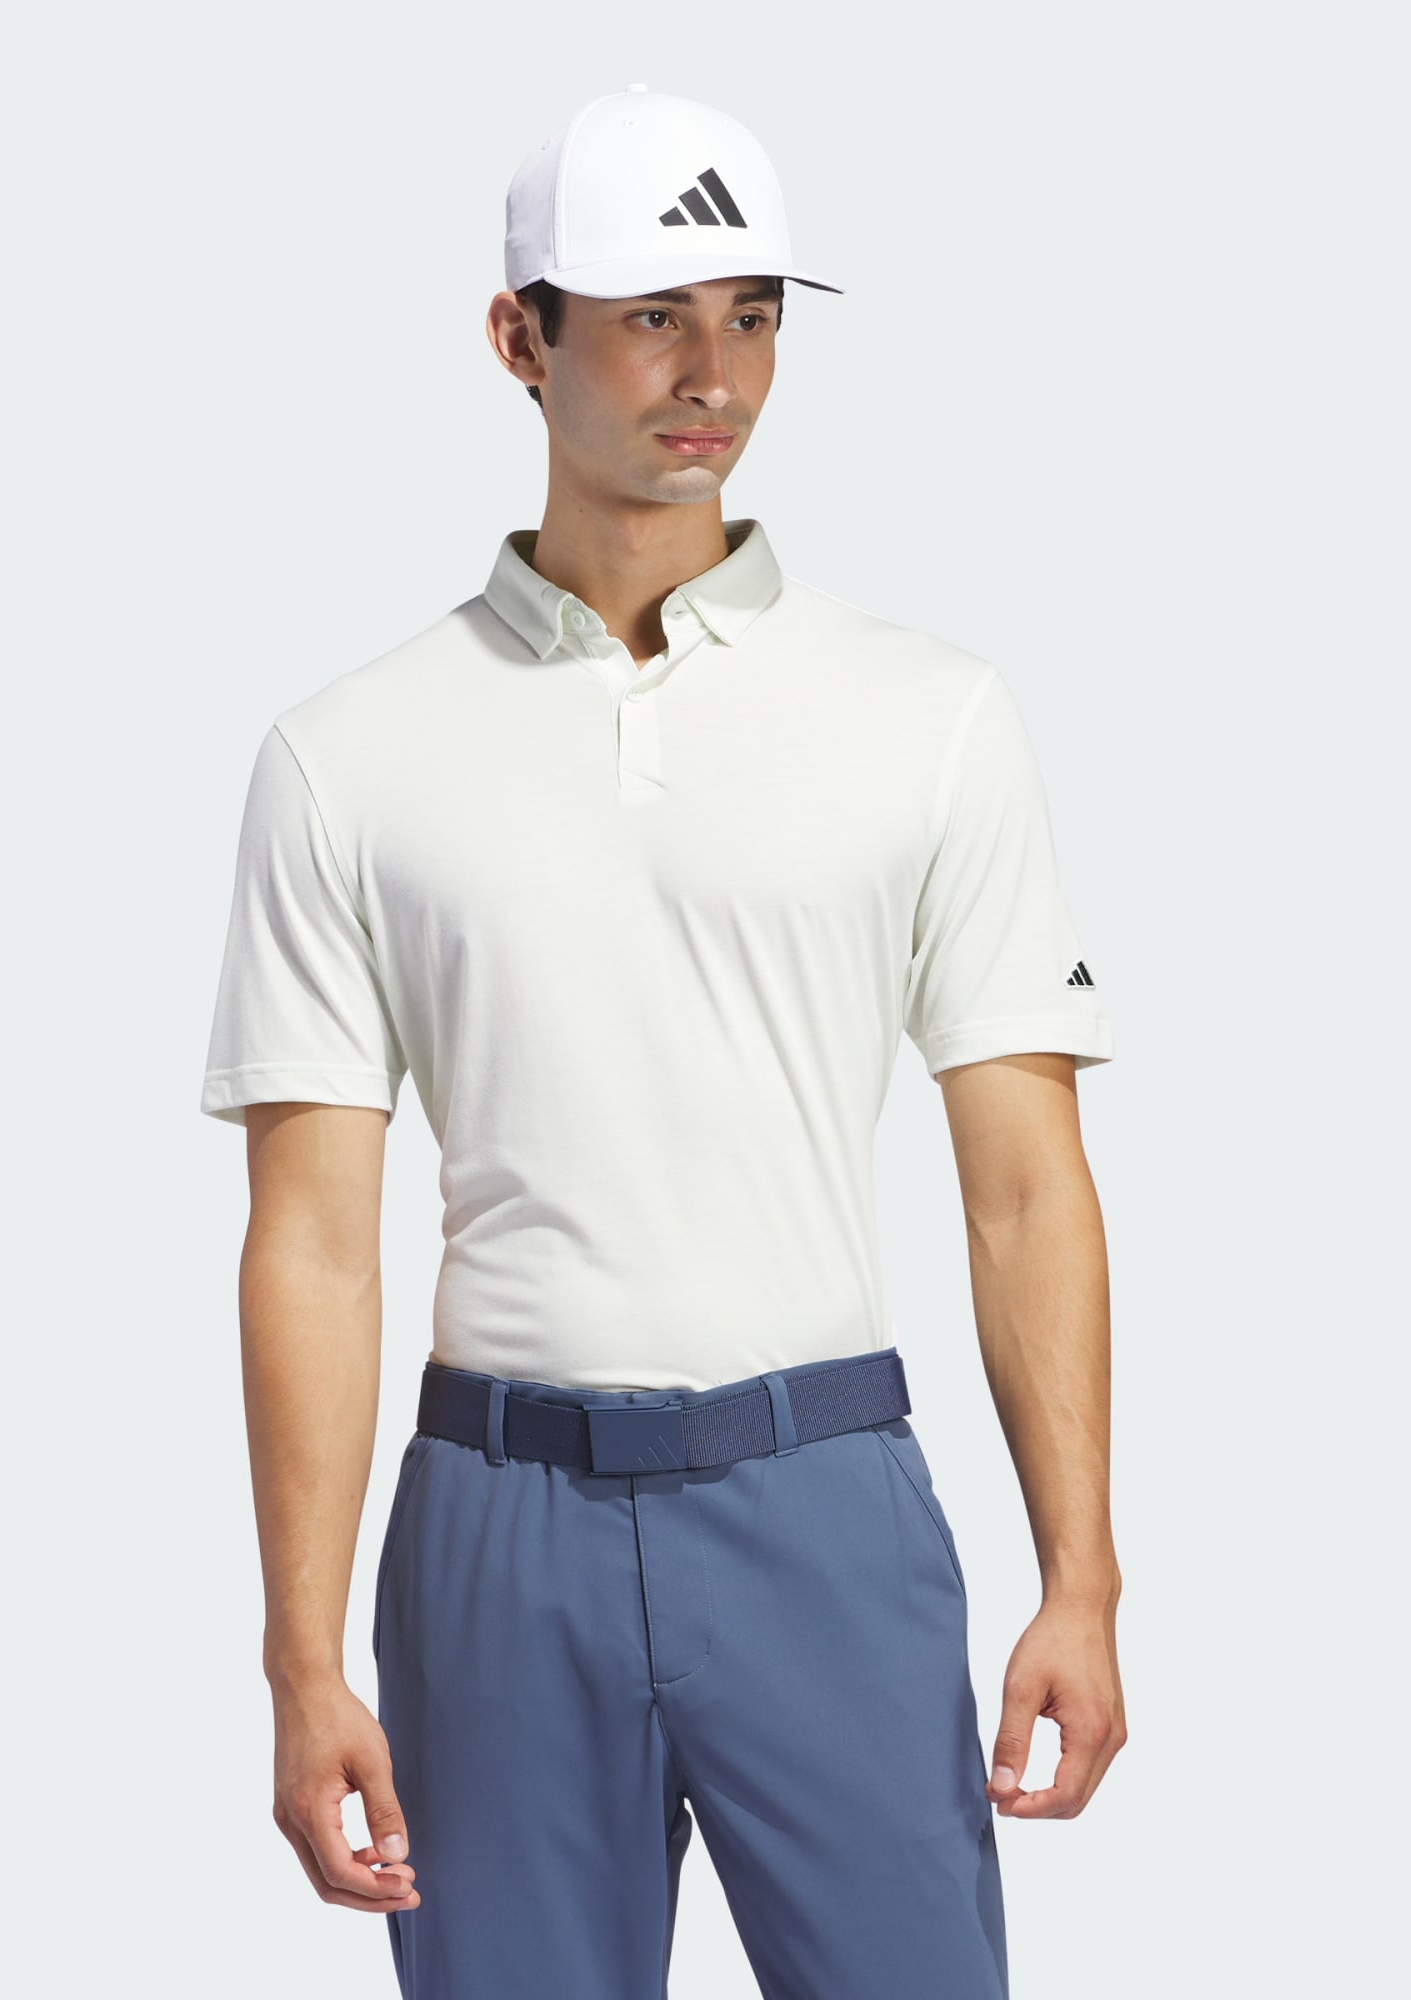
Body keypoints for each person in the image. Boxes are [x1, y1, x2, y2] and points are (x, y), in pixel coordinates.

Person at [198, 82, 1124, 2000]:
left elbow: (1028, 1189)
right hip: (496, 1528)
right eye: (651, 318)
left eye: (754, 315)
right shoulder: (347, 755)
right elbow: (312, 1239)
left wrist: (1083, 1577)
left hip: (825, 1501)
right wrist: (301, 1660)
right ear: (517, 336)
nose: (715, 376)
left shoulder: (932, 717)